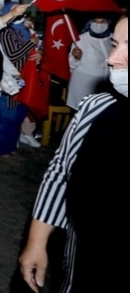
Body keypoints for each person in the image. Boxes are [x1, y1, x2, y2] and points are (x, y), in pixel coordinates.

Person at [19, 15, 127, 293]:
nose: (113, 58)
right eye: (116, 45)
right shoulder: (97, 107)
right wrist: (37, 240)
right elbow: (61, 171)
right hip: (84, 259)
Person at [66, 16, 113, 110]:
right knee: (81, 112)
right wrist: (77, 57)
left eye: (102, 21)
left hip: (105, 86)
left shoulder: (113, 38)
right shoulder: (80, 39)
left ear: (108, 23)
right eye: (95, 21)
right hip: (82, 86)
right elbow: (70, 64)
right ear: (90, 22)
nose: (99, 25)